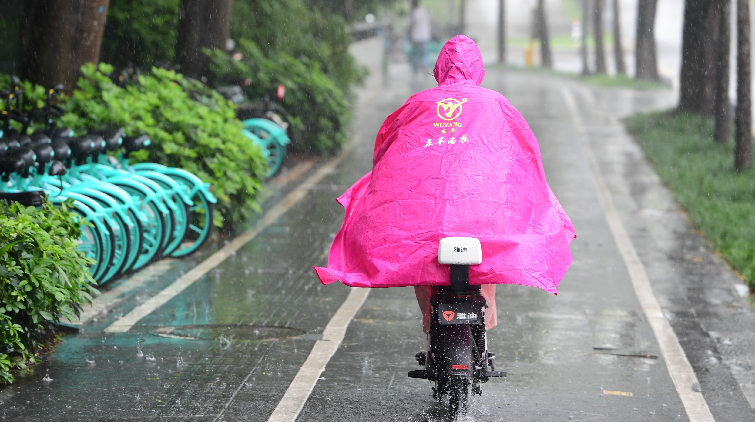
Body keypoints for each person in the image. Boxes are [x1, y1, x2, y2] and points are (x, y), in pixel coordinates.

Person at [314, 36, 575, 344]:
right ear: (478, 69)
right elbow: (525, 153)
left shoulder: (417, 103)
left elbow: (386, 151)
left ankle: (430, 322)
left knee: (424, 261)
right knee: (485, 265)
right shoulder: (495, 103)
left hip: (425, 209)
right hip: (482, 210)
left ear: (439, 69)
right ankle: (484, 321)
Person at [409, 0, 432, 74]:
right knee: (424, 53)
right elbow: (430, 21)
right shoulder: (425, 11)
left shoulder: (413, 13)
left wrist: (410, 35)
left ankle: (415, 70)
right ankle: (424, 68)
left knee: (415, 54)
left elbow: (411, 25)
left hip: (416, 37)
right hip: (425, 36)